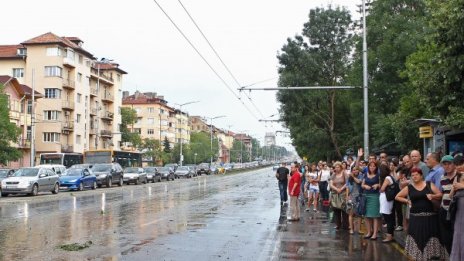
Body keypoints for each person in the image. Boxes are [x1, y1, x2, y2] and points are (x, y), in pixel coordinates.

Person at [395, 167, 446, 260]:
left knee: (430, 237)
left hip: (430, 218)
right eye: (412, 175)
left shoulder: (429, 184)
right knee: (418, 239)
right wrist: (407, 200)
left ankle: (430, 256)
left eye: (416, 175)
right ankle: (420, 257)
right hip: (416, 218)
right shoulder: (409, 187)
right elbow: (397, 196)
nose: (414, 177)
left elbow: (440, 195)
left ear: (421, 175)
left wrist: (433, 196)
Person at [438, 155, 458, 255]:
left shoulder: (459, 176)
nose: (447, 166)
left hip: (456, 210)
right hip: (444, 209)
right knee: (446, 237)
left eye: (449, 164)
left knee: (456, 235)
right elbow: (443, 192)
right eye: (444, 164)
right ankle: (451, 255)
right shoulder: (442, 177)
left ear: (454, 164)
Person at [362, 161, 381, 240]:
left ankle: (375, 234)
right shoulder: (365, 174)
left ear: (376, 167)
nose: (372, 167)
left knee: (375, 215)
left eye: (374, 166)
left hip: (375, 196)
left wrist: (377, 185)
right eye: (370, 166)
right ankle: (369, 232)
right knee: (366, 215)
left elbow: (382, 184)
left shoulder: (378, 175)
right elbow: (362, 184)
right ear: (368, 167)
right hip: (366, 195)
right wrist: (365, 186)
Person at [329, 161, 348, 230]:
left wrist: (341, 188)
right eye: (335, 167)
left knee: (344, 209)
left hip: (343, 193)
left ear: (341, 167)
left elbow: (347, 183)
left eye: (338, 167)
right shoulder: (333, 174)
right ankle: (338, 224)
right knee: (336, 209)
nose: (337, 168)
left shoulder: (344, 173)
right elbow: (330, 184)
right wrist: (336, 189)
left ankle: (345, 225)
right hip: (335, 193)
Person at [450, 172, 464, 261]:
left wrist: (462, 186)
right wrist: (454, 187)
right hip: (459, 213)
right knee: (458, 237)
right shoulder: (458, 176)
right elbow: (451, 196)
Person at [379, 164, 395, 243]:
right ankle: (390, 235)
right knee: (389, 217)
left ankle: (389, 236)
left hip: (386, 199)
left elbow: (382, 189)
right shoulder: (389, 177)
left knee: (388, 218)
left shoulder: (387, 178)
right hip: (386, 199)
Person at [347, 166, 363, 234]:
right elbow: (347, 187)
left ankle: (359, 229)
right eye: (353, 170)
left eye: (356, 170)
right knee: (351, 214)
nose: (355, 171)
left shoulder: (361, 176)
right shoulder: (349, 178)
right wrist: (347, 196)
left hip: (359, 196)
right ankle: (351, 229)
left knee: (359, 214)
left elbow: (359, 182)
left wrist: (353, 177)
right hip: (351, 196)